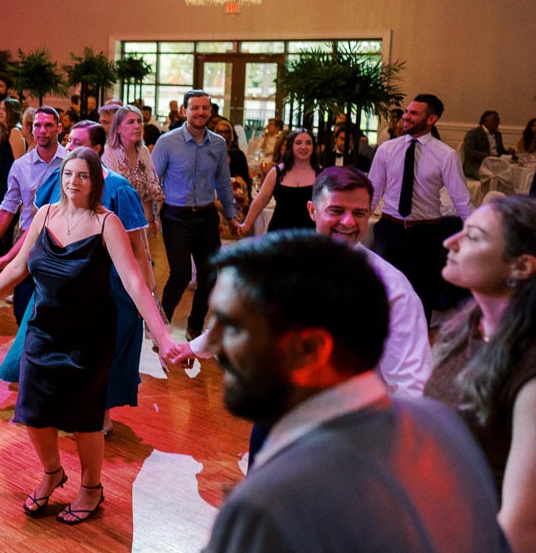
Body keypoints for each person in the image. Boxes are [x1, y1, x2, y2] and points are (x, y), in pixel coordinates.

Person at [180, 232, 518, 553]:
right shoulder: (445, 427)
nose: (213, 347)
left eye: (233, 328)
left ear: (310, 349)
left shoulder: (270, 505)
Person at [0, 149, 177, 524]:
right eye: (68, 174)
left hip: (89, 337)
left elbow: (134, 284)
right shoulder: (45, 215)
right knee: (32, 411)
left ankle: (91, 487)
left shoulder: (106, 222)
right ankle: (51, 472)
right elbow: (17, 268)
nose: (73, 182)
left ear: (95, 182)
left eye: (82, 176)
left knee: (83, 417)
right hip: (43, 329)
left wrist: (164, 338)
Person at [176, 166, 433, 401]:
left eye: (359, 213)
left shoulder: (392, 290)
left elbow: (411, 382)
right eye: (336, 210)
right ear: (312, 210)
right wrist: (195, 347)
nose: (348, 222)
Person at [425, 195, 536, 553]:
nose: (449, 242)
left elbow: (523, 527)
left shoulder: (529, 365)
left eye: (472, 237)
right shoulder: (462, 330)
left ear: (521, 266)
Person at [368, 93, 472, 318]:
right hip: (389, 230)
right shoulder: (387, 150)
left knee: (421, 296)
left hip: (426, 233)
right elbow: (373, 191)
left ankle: (418, 347)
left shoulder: (446, 155)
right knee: (384, 293)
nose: (405, 117)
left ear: (431, 119)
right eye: (406, 111)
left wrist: (476, 233)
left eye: (413, 113)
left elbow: (461, 199)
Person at [152, 90, 238, 340]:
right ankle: (160, 327)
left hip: (207, 216)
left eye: (205, 108)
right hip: (176, 217)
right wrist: (152, 216)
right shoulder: (167, 142)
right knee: (179, 275)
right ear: (184, 111)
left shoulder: (219, 144)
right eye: (195, 108)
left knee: (209, 275)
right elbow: (152, 181)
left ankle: (195, 327)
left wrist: (231, 216)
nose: (200, 112)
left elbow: (223, 182)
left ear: (210, 111)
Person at [0, 106, 67, 323]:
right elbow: (8, 208)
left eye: (48, 125)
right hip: (27, 241)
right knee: (22, 310)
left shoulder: (71, 162)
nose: (42, 131)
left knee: (55, 308)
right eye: (37, 125)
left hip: (63, 242)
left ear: (59, 128)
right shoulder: (21, 166)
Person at [238, 127, 320, 236]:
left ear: (314, 147)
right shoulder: (276, 172)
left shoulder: (321, 174)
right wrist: (246, 225)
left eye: (308, 143)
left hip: (310, 234)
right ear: (291, 146)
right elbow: (260, 200)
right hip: (279, 233)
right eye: (298, 143)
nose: (303, 147)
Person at [102, 104, 163, 238]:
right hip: (113, 220)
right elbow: (112, 191)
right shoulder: (107, 153)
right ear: (117, 128)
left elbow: (148, 191)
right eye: (130, 122)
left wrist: (151, 221)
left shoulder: (143, 151)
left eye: (139, 121)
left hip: (139, 221)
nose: (137, 126)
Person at [464, 110, 509, 179]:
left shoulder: (498, 135)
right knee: (491, 177)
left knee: (508, 175)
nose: (498, 123)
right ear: (485, 121)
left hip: (496, 165)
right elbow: (469, 151)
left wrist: (509, 152)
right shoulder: (474, 133)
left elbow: (501, 151)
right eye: (495, 120)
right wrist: (488, 156)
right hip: (477, 165)